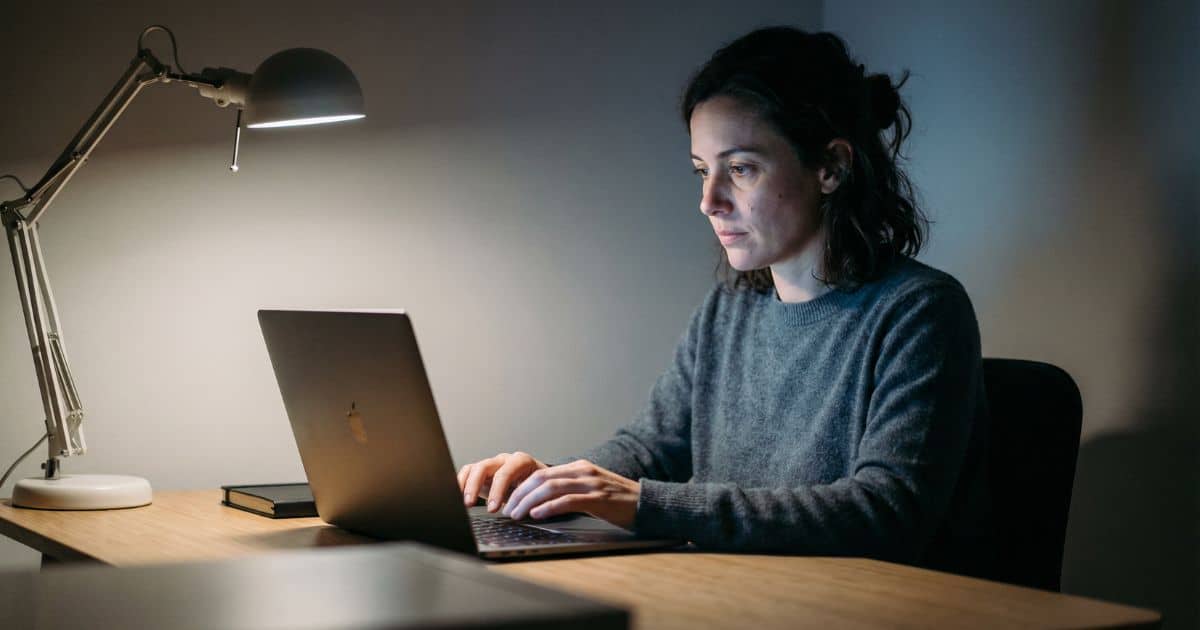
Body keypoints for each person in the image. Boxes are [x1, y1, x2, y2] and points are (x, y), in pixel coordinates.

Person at [457, 26, 994, 577]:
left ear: (830, 167)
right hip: (732, 588)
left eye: (739, 169)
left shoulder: (920, 312)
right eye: (702, 170)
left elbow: (884, 514)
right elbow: (649, 449)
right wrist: (547, 482)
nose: (708, 201)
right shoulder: (729, 309)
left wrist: (644, 503)